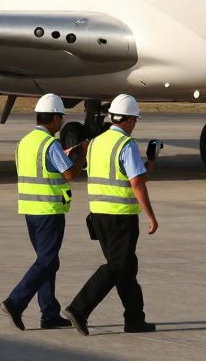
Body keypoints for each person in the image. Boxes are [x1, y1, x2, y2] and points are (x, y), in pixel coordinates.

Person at [64, 93, 158, 336]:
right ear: (128, 120)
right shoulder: (126, 145)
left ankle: (135, 319)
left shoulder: (96, 143)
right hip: (121, 217)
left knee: (128, 267)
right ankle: (79, 309)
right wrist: (150, 216)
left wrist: (147, 165)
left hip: (98, 215)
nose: (134, 124)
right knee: (117, 266)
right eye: (135, 120)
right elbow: (136, 182)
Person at [1, 93, 86, 330]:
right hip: (49, 209)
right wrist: (82, 155)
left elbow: (39, 169)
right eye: (61, 119)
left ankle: (49, 313)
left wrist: (64, 156)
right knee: (47, 261)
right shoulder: (50, 143)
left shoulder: (24, 142)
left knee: (48, 260)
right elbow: (69, 174)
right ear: (56, 118)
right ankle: (15, 302)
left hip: (29, 209)